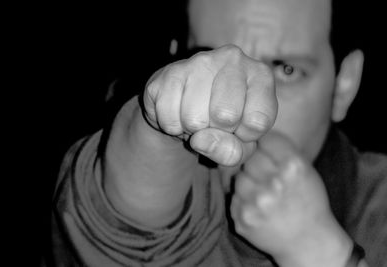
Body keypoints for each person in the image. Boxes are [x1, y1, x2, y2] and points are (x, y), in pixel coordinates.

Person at [45, 0, 387, 266]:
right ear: (175, 59)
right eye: (208, 59)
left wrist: (321, 253)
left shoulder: (379, 200)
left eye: (286, 69)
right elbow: (116, 221)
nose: (248, 103)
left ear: (344, 84)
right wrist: (158, 122)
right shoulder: (167, 196)